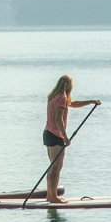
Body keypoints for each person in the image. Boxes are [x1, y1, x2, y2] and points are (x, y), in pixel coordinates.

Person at [42, 75, 100, 203]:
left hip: (47, 133)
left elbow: (72, 103)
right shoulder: (61, 97)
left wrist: (90, 102)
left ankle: (50, 195)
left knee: (53, 166)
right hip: (55, 135)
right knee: (56, 167)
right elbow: (58, 119)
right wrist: (66, 137)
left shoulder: (54, 96)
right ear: (68, 85)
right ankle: (53, 197)